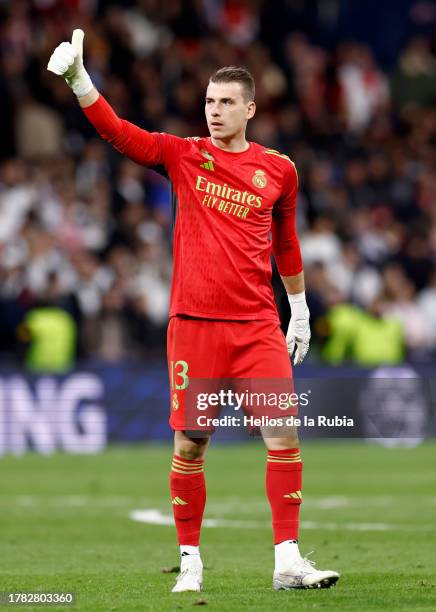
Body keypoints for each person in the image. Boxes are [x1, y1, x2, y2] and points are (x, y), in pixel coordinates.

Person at [47, 29, 339, 593]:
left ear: (250, 109)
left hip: (257, 325)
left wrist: (298, 309)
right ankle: (190, 561)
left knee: (283, 434)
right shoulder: (185, 156)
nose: (215, 111)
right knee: (190, 444)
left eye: (227, 102)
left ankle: (286, 560)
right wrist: (80, 82)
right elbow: (120, 135)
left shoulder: (279, 170)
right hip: (195, 326)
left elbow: (287, 244)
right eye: (209, 101)